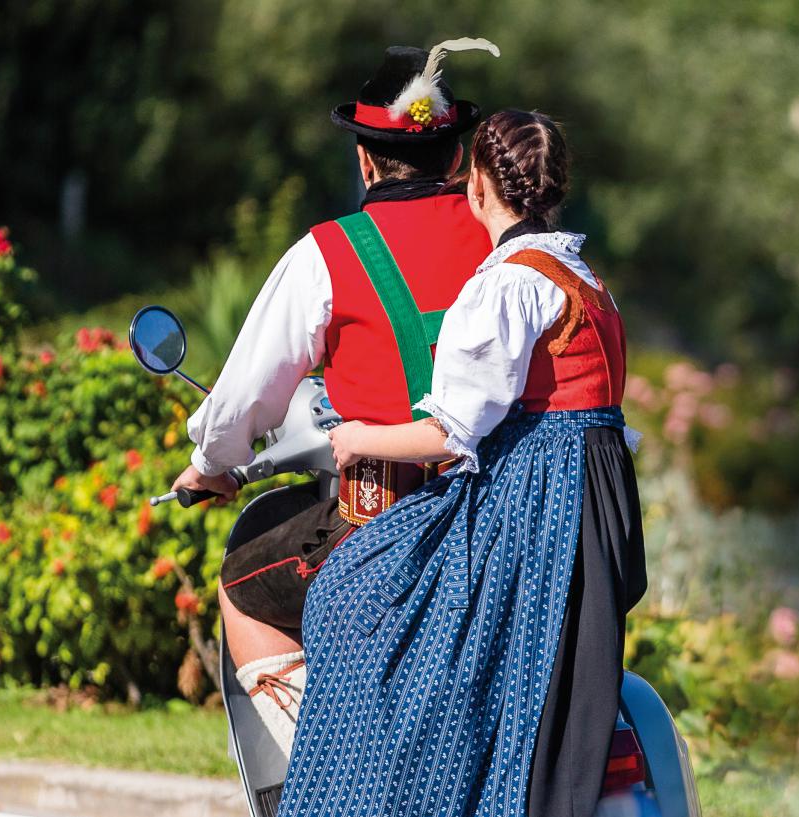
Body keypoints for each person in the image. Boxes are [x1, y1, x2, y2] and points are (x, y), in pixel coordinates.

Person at [278, 110, 647, 817]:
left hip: (529, 510)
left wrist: (356, 438)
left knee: (350, 594)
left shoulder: (505, 284)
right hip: (586, 509)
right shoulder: (585, 279)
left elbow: (447, 434)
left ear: (477, 185)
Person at [167, 38, 499, 771]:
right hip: (501, 524)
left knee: (244, 587)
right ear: (456, 157)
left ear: (365, 160)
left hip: (379, 522)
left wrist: (211, 465)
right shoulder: (506, 247)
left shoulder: (328, 254)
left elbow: (242, 399)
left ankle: (329, 767)